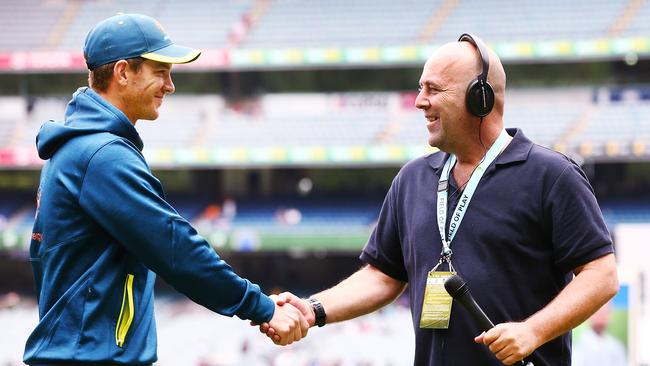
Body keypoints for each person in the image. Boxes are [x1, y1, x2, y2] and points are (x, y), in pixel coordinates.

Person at [259, 34, 619, 365]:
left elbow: (601, 275)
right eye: (420, 88)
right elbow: (382, 276)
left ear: (480, 98)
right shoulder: (412, 179)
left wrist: (532, 331)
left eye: (433, 89)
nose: (419, 102)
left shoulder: (551, 176)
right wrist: (313, 309)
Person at [25, 13, 307, 365]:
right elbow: (174, 247)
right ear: (123, 72)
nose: (170, 85)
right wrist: (261, 306)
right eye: (160, 71)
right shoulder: (102, 156)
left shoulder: (79, 149)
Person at [572, 302, 627, 366]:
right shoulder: (579, 347)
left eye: (605, 312)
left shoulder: (617, 347)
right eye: (598, 312)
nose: (601, 316)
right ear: (589, 315)